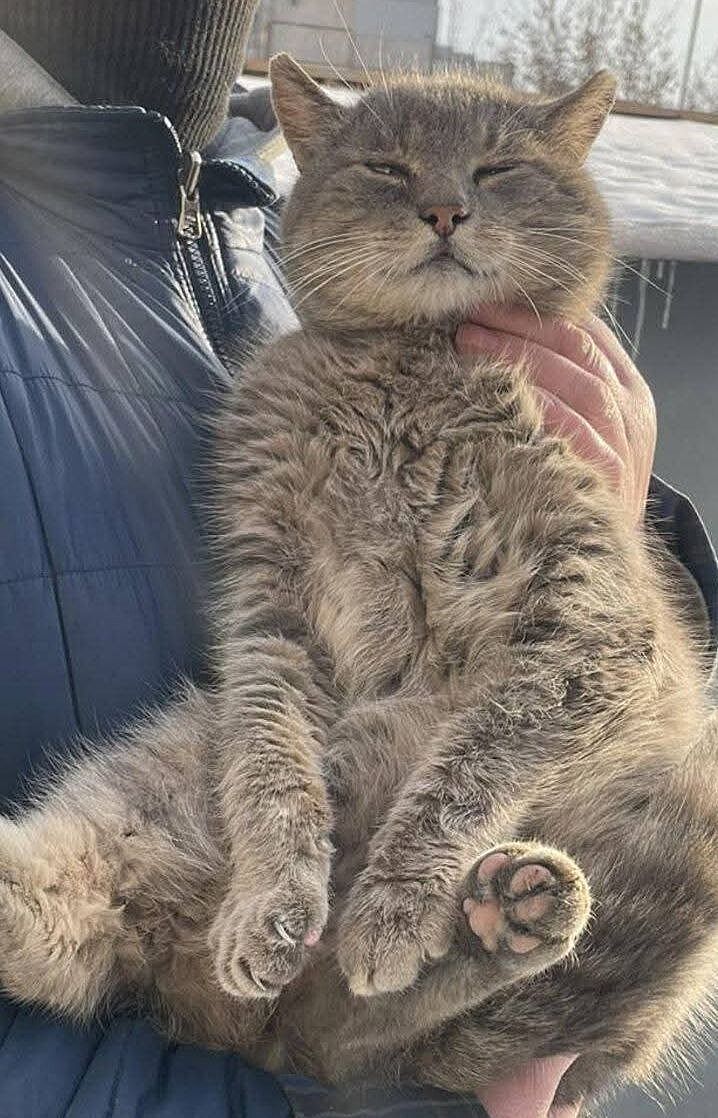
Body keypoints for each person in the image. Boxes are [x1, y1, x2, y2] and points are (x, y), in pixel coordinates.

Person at [0, 4, 715, 1118]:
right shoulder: (277, 350)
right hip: (225, 952)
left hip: (489, 835)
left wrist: (637, 525)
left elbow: (603, 673)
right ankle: (62, 909)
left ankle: (454, 968)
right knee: (187, 757)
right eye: (388, 174)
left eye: (497, 175)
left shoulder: (240, 234)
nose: (444, 205)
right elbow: (272, 648)